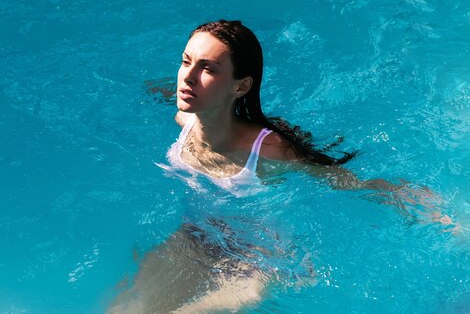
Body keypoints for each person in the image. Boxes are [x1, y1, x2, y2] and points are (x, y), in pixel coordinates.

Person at [108, 19, 455, 314]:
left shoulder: (270, 151)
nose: (188, 77)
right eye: (186, 62)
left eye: (208, 69)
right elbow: (172, 93)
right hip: (194, 239)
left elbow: (350, 183)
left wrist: (443, 219)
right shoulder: (186, 120)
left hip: (255, 262)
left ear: (241, 86)